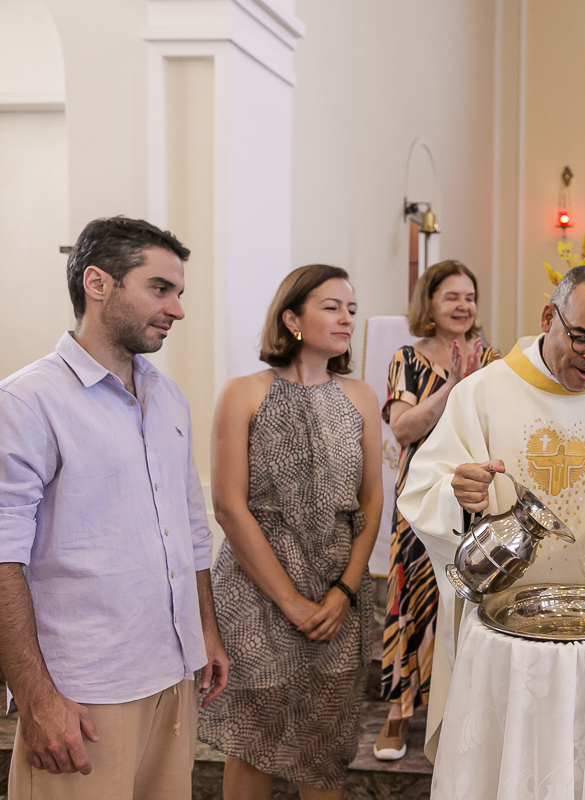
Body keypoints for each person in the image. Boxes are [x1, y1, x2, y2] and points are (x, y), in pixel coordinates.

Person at [0, 217, 228, 799]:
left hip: (172, 672)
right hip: (84, 691)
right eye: (160, 288)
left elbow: (189, 530)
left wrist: (204, 630)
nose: (177, 309)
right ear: (98, 283)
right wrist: (35, 698)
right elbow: (3, 557)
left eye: (179, 293)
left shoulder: (167, 395)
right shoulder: (28, 402)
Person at [398, 264, 585, 762]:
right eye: (582, 338)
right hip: (507, 625)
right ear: (549, 317)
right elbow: (422, 490)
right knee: (515, 758)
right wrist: (458, 493)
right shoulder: (481, 393)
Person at [198, 264, 383, 798]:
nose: (347, 317)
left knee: (322, 747)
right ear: (291, 319)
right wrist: (291, 602)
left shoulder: (360, 398)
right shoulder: (243, 393)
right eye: (331, 307)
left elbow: (371, 500)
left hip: (337, 593)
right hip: (258, 593)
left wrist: (345, 590)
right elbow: (230, 507)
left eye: (351, 307)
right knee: (256, 740)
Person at [374, 261, 499, 761]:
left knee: (468, 600)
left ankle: (463, 713)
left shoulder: (491, 358)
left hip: (475, 500)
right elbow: (403, 430)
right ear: (429, 303)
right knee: (412, 599)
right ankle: (399, 712)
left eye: (469, 296)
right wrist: (453, 385)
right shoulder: (407, 358)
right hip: (418, 499)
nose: (463, 305)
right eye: (452, 296)